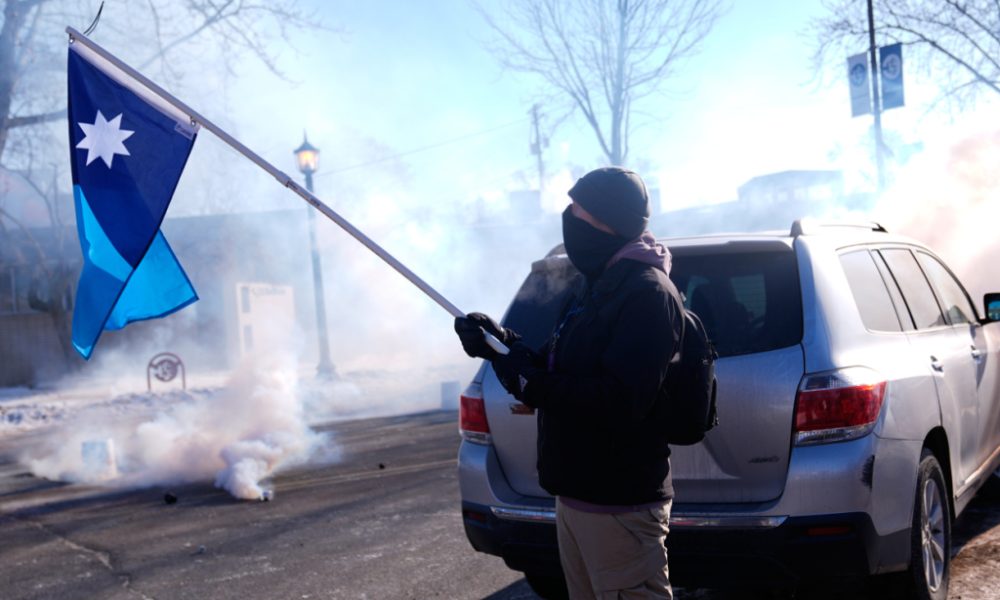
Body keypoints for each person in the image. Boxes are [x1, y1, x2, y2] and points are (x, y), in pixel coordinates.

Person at [455, 167, 684, 599]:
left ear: (607, 220)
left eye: (578, 210)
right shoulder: (596, 287)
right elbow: (559, 368)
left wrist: (531, 383)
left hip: (619, 503)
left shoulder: (647, 294)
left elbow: (620, 399)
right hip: (576, 496)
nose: (569, 217)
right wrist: (501, 347)